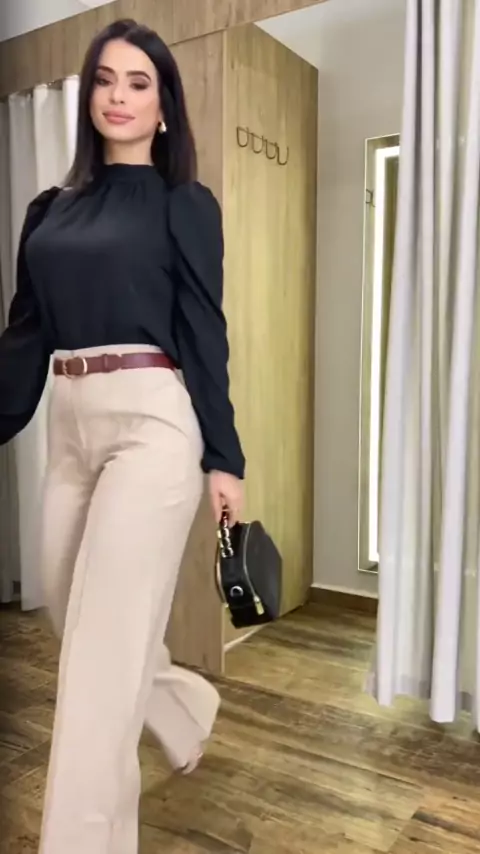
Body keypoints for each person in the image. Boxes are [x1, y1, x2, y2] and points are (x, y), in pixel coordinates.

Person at [0, 18, 245, 854]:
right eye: (105, 79)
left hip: (153, 421)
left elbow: (204, 332)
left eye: (139, 82)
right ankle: (179, 706)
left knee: (97, 671)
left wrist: (225, 459)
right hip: (69, 422)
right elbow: (25, 337)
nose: (118, 96)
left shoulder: (185, 205)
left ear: (164, 104)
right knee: (70, 611)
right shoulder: (49, 211)